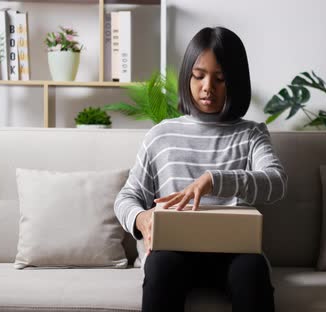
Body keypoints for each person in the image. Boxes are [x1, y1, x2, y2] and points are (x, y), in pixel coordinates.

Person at [114, 26, 287, 312]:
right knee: (161, 268)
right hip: (173, 252)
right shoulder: (161, 135)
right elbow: (126, 197)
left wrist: (215, 180)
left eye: (220, 78)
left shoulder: (251, 134)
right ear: (188, 77)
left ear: (236, 81)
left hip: (235, 254)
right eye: (199, 76)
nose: (208, 87)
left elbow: (277, 182)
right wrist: (141, 219)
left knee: (252, 272)